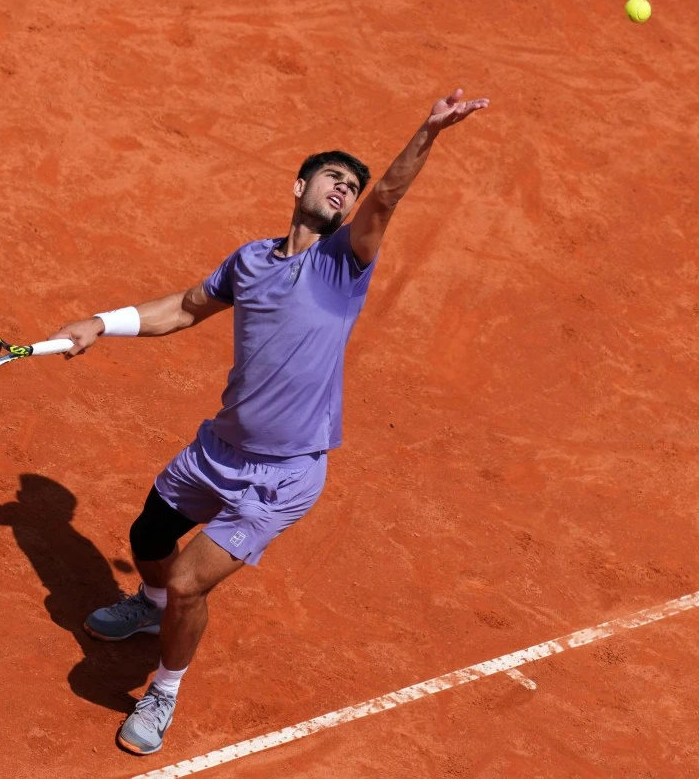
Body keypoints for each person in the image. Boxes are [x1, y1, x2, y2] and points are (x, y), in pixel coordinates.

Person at [50, 88, 489, 755]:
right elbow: (185, 309)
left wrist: (429, 132)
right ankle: (152, 606)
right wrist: (99, 324)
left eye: (352, 187)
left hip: (282, 475)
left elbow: (388, 197)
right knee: (149, 535)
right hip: (218, 448)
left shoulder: (343, 263)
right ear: (300, 185)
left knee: (191, 577)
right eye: (333, 178)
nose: (345, 191)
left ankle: (165, 688)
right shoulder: (250, 261)